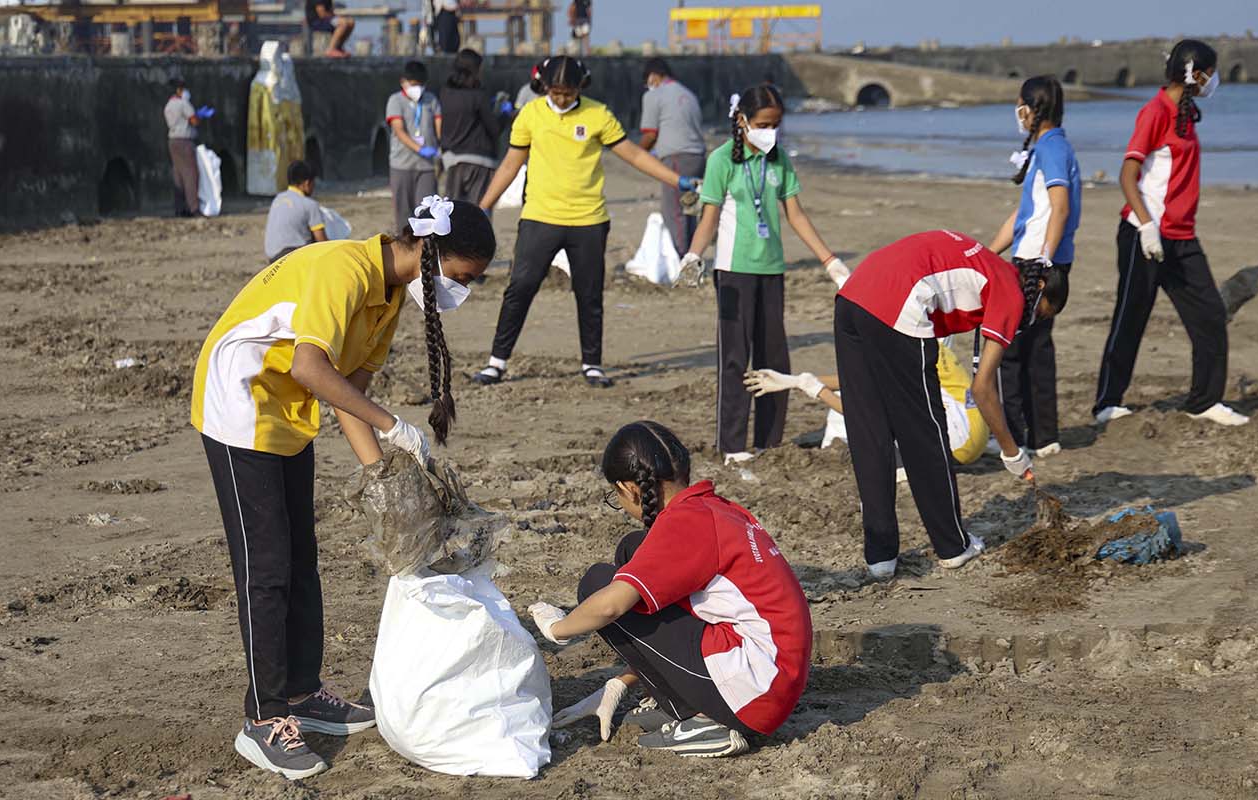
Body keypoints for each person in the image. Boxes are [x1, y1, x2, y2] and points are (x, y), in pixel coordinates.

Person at [190, 196, 496, 780]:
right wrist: (393, 424)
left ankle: (304, 694)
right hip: (238, 402)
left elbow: (344, 391)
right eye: (464, 276)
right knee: (267, 565)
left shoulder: (388, 298)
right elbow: (311, 368)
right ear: (433, 253)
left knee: (303, 559)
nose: (465, 288)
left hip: (286, 413)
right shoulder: (344, 271)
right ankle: (264, 716)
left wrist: (382, 475)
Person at [526, 421, 812, 758]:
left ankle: (706, 720)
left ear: (629, 488)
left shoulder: (687, 524)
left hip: (757, 692)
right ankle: (682, 702)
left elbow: (610, 608)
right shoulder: (711, 508)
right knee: (634, 552)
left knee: (599, 585)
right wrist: (623, 682)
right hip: (774, 673)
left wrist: (556, 629)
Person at [834, 230, 1068, 578]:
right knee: (925, 432)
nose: (1034, 323)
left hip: (852, 297)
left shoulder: (988, 263)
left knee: (870, 430)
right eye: (1043, 316)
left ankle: (880, 557)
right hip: (899, 306)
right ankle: (952, 546)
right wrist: (1011, 452)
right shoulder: (1013, 294)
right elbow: (983, 387)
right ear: (1038, 294)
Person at [472, 56, 701, 388]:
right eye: (555, 91)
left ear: (581, 87)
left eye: (567, 92)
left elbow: (634, 154)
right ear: (544, 86)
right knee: (520, 288)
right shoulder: (531, 115)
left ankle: (592, 364)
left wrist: (676, 179)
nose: (561, 98)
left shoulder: (598, 114)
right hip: (539, 217)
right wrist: (483, 207)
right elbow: (510, 164)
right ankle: (496, 362)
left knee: (590, 294)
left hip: (589, 219)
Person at [678, 86, 848, 464]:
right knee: (736, 357)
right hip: (734, 271)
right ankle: (733, 446)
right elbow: (708, 217)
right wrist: (693, 255)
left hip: (772, 269)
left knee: (775, 358)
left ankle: (768, 442)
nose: (769, 132)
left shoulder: (779, 159)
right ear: (742, 122)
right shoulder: (722, 159)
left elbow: (796, 214)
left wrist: (830, 262)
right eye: (762, 124)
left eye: (775, 125)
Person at [1093, 40, 1248, 428]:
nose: (1214, 80)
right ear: (1195, 74)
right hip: (1143, 236)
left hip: (1182, 238)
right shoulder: (1154, 112)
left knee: (1210, 314)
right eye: (1210, 73)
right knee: (1131, 317)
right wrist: (1146, 226)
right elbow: (1128, 175)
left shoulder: (1186, 113)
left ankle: (1204, 401)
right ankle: (1107, 402)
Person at [985, 76, 1081, 458]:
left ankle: (1020, 434)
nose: (1018, 113)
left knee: (1014, 349)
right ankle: (1043, 436)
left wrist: (1044, 261)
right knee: (1032, 347)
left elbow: (1060, 207)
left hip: (1037, 263)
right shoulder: (1045, 148)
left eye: (1020, 105)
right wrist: (989, 252)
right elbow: (1026, 214)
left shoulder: (1054, 149)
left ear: (1033, 108)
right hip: (1032, 258)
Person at [743, 342, 990, 472]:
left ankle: (850, 456)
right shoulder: (925, 337)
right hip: (974, 431)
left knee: (863, 409)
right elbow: (856, 379)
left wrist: (813, 388)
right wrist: (795, 381)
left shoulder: (899, 347)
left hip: (959, 443)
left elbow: (863, 406)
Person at [638, 57, 706, 254]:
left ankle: (679, 258)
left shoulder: (654, 95)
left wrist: (635, 154)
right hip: (698, 157)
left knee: (674, 213)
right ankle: (693, 255)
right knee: (690, 211)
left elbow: (650, 134)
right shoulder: (688, 94)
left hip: (676, 159)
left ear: (653, 77)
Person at [439, 49, 509, 206]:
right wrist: (505, 114)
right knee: (477, 213)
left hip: (452, 160)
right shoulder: (478, 95)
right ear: (475, 70)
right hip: (479, 161)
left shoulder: (445, 93)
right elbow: (495, 128)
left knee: (452, 213)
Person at [386, 61, 443, 236]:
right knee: (403, 212)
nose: (417, 88)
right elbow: (399, 130)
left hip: (426, 166)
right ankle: (405, 246)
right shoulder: (395, 100)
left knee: (427, 211)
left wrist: (439, 147)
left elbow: (438, 124)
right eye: (413, 84)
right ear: (403, 81)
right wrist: (419, 149)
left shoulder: (431, 100)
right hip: (401, 164)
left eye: (420, 85)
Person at [164, 77, 213, 218]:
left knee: (178, 175)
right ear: (179, 90)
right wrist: (201, 115)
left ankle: (180, 208)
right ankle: (194, 208)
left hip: (173, 141)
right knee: (191, 175)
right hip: (185, 141)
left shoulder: (168, 105)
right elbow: (194, 120)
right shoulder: (183, 103)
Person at [264, 160, 328, 263]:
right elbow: (322, 241)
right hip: (293, 257)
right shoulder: (309, 204)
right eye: (313, 183)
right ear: (307, 183)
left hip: (272, 258)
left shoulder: (278, 199)